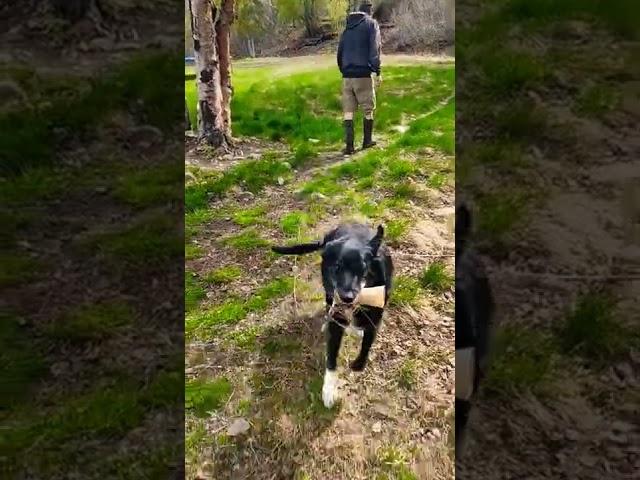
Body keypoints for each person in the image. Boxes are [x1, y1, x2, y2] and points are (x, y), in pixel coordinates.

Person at [337, 0, 382, 155]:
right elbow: (374, 50)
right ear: (369, 11)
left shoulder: (347, 27)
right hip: (363, 74)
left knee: (348, 111)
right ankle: (367, 141)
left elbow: (340, 52)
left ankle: (349, 146)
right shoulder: (371, 24)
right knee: (368, 108)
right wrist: (377, 71)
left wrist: (343, 70)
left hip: (347, 76)